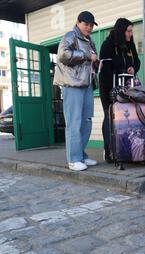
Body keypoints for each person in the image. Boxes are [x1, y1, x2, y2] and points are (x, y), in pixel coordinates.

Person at [53, 11, 99, 171]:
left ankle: (81, 155)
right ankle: (73, 159)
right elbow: (63, 55)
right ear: (78, 22)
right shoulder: (70, 36)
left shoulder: (89, 40)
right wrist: (87, 55)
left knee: (86, 120)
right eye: (86, 24)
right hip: (72, 85)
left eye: (91, 25)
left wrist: (96, 63)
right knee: (74, 122)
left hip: (86, 85)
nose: (89, 27)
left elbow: (89, 62)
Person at [99, 18, 141, 163]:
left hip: (125, 86)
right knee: (110, 115)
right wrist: (115, 87)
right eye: (128, 31)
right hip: (109, 87)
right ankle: (109, 150)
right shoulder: (107, 45)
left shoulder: (130, 45)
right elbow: (105, 71)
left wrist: (133, 68)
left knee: (126, 117)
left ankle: (124, 149)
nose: (130, 34)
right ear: (121, 31)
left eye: (131, 31)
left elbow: (136, 61)